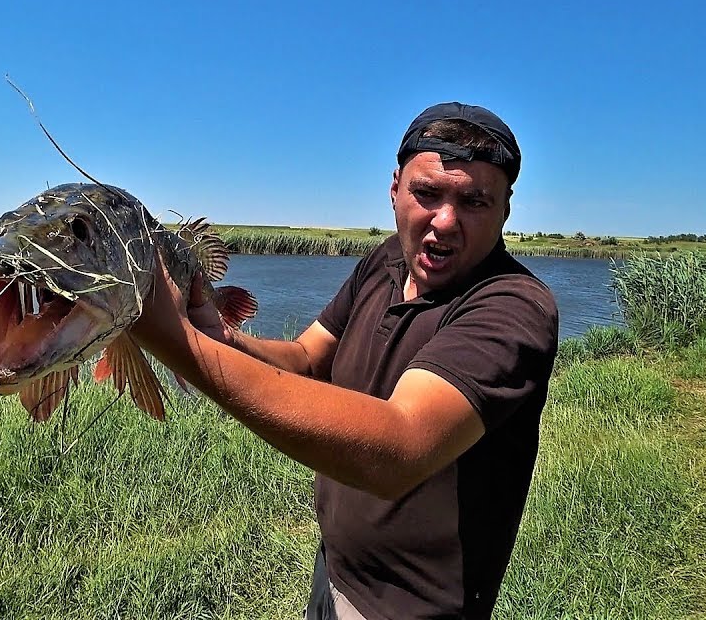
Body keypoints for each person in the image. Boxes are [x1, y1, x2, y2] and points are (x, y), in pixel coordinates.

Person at [131, 102, 559, 620]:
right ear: (395, 187)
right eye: (427, 193)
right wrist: (219, 337)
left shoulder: (512, 307)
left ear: (506, 209)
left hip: (415, 607)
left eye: (475, 201)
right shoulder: (385, 260)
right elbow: (308, 357)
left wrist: (174, 341)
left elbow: (400, 448)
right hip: (334, 570)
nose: (444, 221)